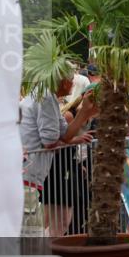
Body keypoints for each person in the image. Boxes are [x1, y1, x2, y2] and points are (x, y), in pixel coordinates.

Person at [20, 72, 98, 236]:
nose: (73, 83)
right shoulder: (46, 97)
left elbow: (65, 134)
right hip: (28, 174)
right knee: (32, 233)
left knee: (35, 229)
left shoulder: (48, 97)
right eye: (71, 80)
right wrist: (83, 115)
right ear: (63, 82)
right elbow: (50, 141)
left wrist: (85, 112)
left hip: (31, 174)